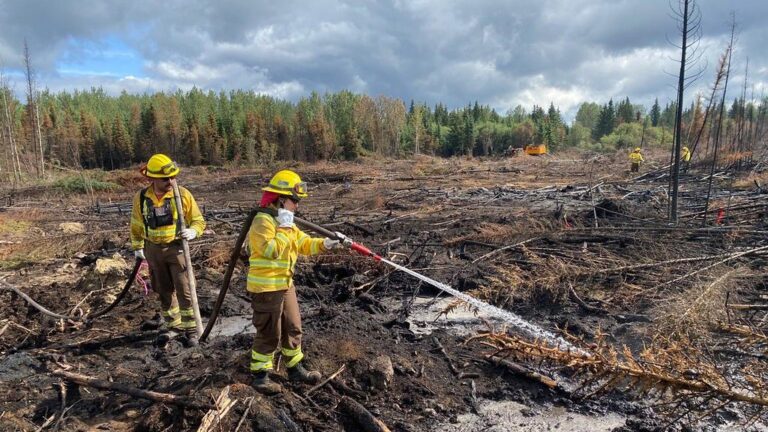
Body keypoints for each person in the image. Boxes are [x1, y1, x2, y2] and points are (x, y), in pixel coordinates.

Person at [247, 169, 352, 394]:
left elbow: (303, 244)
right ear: (281, 199)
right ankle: (260, 376)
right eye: (294, 201)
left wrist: (326, 243)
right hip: (266, 287)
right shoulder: (263, 221)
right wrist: (284, 228)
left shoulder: (285, 222)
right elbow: (271, 251)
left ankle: (294, 368)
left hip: (285, 285)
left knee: (293, 327)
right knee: (270, 333)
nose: (297, 205)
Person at [130, 153, 206, 346]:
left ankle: (191, 330)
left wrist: (193, 231)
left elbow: (198, 220)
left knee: (185, 289)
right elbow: (136, 224)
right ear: (153, 178)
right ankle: (174, 326)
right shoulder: (142, 198)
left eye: (173, 177)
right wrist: (138, 247)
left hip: (176, 250)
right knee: (163, 290)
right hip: (153, 250)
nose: (171, 181)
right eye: (165, 179)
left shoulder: (182, 195)